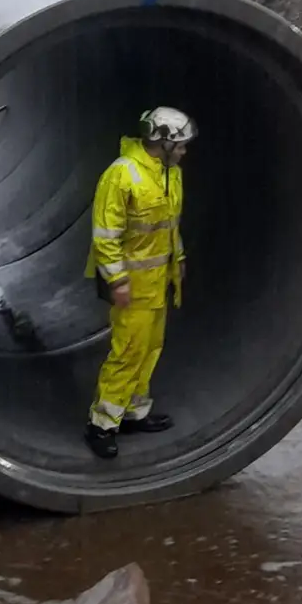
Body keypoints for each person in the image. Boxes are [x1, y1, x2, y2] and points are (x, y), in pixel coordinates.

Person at [82, 106, 194, 459]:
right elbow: (106, 235)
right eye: (181, 145)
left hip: (159, 282)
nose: (185, 152)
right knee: (127, 351)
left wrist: (179, 260)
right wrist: (117, 281)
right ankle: (101, 424)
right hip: (133, 285)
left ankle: (133, 412)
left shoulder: (168, 173)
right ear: (162, 142)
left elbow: (168, 226)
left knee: (150, 348)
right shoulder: (122, 175)